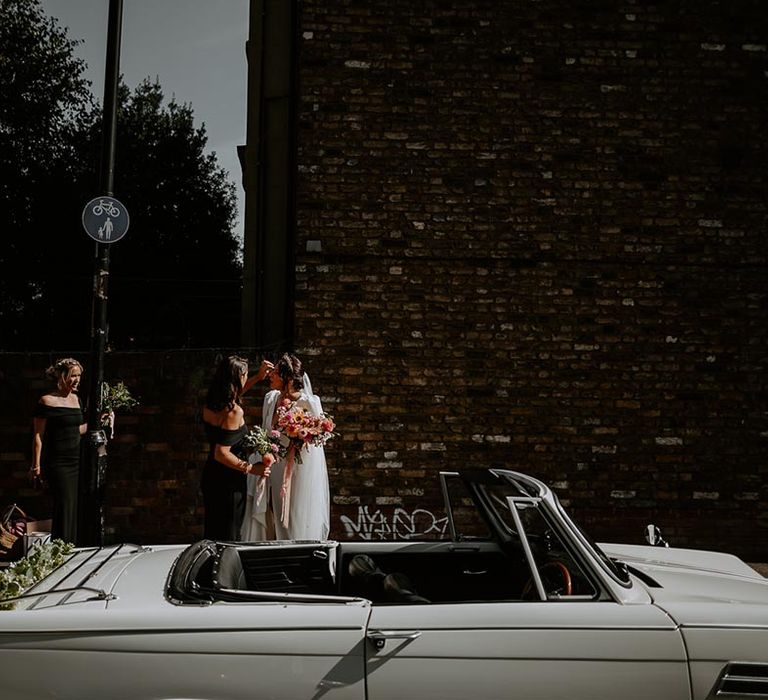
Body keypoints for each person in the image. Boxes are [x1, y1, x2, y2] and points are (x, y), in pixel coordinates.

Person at [241, 353, 330, 542]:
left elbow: (321, 436)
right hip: (272, 464)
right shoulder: (270, 399)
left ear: (287, 379)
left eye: (275, 373)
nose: (270, 376)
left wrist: (300, 436)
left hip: (298, 469)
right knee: (272, 512)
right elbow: (266, 430)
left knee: (294, 514)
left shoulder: (309, 402)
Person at [201, 355, 272, 540]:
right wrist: (252, 469)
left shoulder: (212, 402)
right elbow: (221, 453)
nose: (246, 379)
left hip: (211, 476)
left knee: (213, 533)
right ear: (238, 377)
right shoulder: (234, 412)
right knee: (229, 536)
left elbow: (236, 394)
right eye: (245, 375)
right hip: (228, 481)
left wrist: (257, 377)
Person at [31, 358, 87, 543]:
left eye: (79, 375)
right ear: (62, 377)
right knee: (64, 505)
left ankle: (71, 547)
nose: (77, 379)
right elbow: (38, 436)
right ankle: (61, 548)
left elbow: (76, 431)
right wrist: (36, 466)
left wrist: (98, 420)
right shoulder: (47, 400)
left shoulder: (76, 399)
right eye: (73, 375)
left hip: (77, 460)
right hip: (59, 462)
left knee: (75, 507)